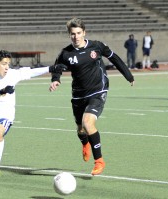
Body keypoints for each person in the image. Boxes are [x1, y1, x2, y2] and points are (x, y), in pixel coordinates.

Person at [0, 50, 66, 182]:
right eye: (4, 64)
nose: (7, 67)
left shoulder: (12, 74)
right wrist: (2, 90)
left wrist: (51, 68)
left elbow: (29, 72)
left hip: (4, 117)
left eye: (8, 64)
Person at [49, 18, 134, 176]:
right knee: (80, 129)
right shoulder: (66, 53)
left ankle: (99, 161)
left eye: (79, 33)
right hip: (78, 95)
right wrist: (55, 80)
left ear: (84, 32)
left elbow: (114, 58)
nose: (76, 37)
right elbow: (57, 68)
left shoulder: (97, 46)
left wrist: (128, 75)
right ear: (69, 35)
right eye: (73, 34)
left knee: (88, 123)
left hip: (98, 91)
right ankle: (85, 143)